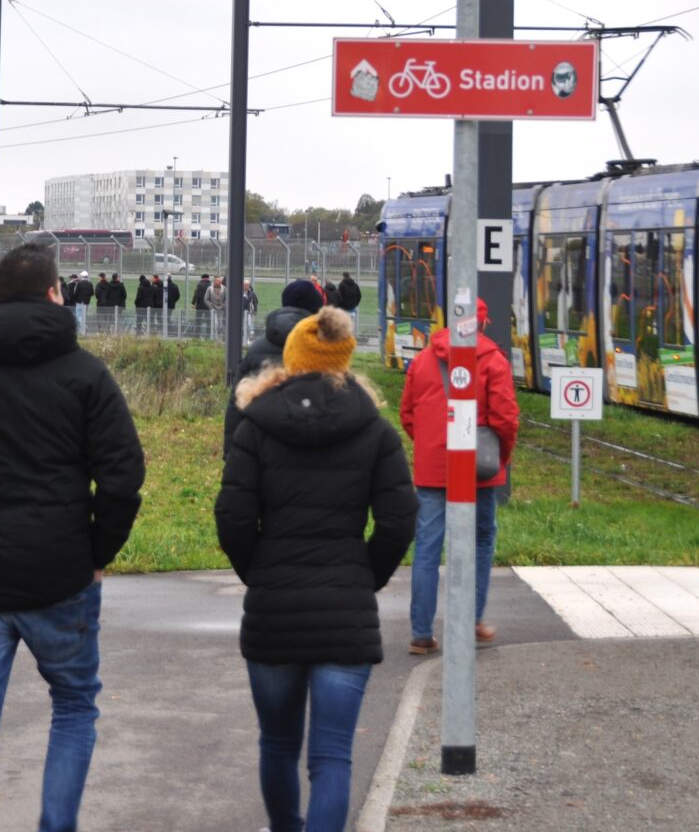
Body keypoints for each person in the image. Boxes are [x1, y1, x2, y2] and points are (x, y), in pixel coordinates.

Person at [0, 245, 146, 832]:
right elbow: (123, 474)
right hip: (63, 573)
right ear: (56, 292)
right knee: (74, 706)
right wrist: (100, 552)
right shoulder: (86, 374)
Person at [214, 306, 416, 832]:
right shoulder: (375, 430)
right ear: (344, 359)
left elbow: (233, 517)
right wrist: (362, 574)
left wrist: (260, 572)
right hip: (345, 611)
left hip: (274, 609)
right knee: (332, 758)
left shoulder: (255, 426)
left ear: (292, 358)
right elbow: (398, 520)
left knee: (278, 745)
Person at [397, 298, 519, 656]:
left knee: (428, 547)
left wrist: (432, 448)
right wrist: (498, 457)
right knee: (481, 539)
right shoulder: (493, 360)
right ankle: (471, 621)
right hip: (478, 468)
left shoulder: (422, 360)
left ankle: (421, 633)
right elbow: (506, 419)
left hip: (433, 469)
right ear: (481, 325)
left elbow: (407, 414)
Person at [231, 280, 325, 445]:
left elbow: (236, 403)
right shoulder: (325, 350)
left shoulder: (256, 349)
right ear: (315, 310)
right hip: (311, 444)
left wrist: (231, 452)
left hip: (261, 442)